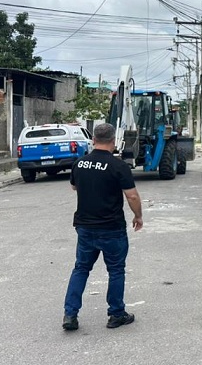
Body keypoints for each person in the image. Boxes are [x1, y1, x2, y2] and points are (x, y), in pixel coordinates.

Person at [62, 122, 143, 331]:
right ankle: (116, 314)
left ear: (94, 140)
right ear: (113, 141)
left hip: (85, 227)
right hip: (111, 228)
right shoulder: (118, 166)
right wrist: (138, 216)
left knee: (81, 268)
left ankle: (70, 314)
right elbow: (132, 196)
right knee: (116, 270)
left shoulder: (79, 163)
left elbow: (74, 186)